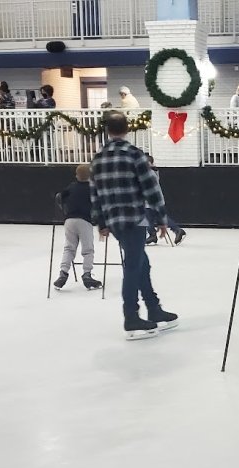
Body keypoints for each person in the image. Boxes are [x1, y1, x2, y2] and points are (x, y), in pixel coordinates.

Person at [90, 112, 178, 340]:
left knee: (141, 263)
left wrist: (100, 222)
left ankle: (153, 307)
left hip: (114, 221)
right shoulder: (134, 155)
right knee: (133, 266)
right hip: (134, 219)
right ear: (127, 129)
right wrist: (161, 217)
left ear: (108, 130)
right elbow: (151, 188)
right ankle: (131, 315)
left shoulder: (98, 158)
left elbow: (95, 194)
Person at [53, 164, 102, 291]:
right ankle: (87, 274)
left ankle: (63, 272)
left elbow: (60, 197)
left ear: (76, 175)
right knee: (88, 249)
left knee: (69, 248)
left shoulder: (71, 186)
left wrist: (64, 209)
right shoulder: (92, 188)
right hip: (84, 220)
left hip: (69, 220)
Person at [143, 153, 187, 246]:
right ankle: (175, 230)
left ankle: (153, 234)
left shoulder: (149, 173)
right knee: (157, 218)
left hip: (152, 200)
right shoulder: (151, 172)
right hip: (154, 200)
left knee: (148, 218)